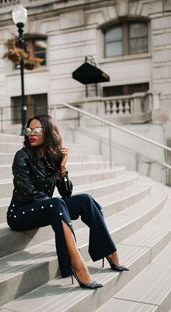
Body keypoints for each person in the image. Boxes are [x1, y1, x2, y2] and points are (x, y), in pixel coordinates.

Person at [7, 114, 129, 290]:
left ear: (48, 132)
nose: (31, 134)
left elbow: (66, 192)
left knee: (86, 200)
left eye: (36, 130)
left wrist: (62, 168)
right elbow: (29, 193)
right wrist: (57, 206)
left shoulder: (52, 158)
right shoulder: (22, 156)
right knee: (56, 204)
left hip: (47, 207)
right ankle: (76, 264)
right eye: (28, 130)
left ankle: (109, 252)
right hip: (20, 214)